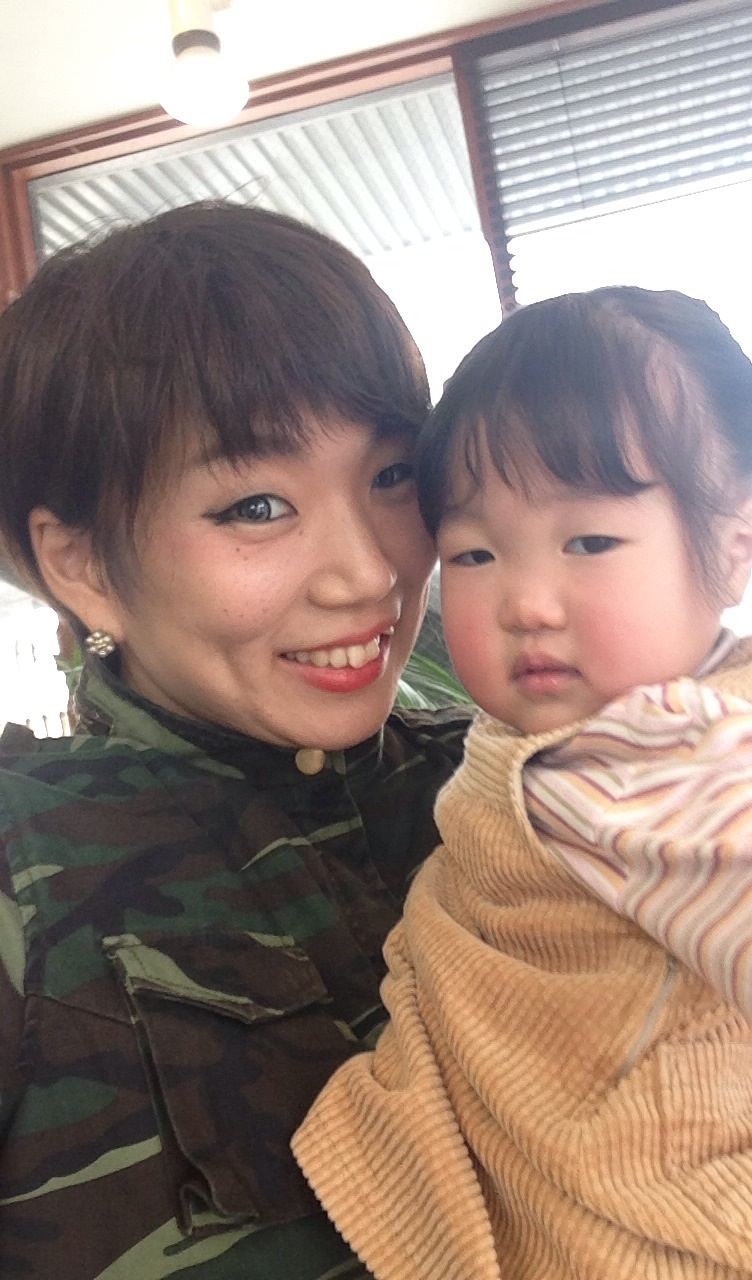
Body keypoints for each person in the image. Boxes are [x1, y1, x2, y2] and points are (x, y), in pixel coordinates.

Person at [294, 287, 752, 1279]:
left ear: (732, 547)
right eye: (473, 552)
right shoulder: (575, 730)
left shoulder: (669, 762)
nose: (525, 601)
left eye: (590, 542)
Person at [0, 202, 472, 1280]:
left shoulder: (520, 787)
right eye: (257, 505)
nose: (369, 574)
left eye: (392, 475)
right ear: (82, 565)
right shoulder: (24, 868)